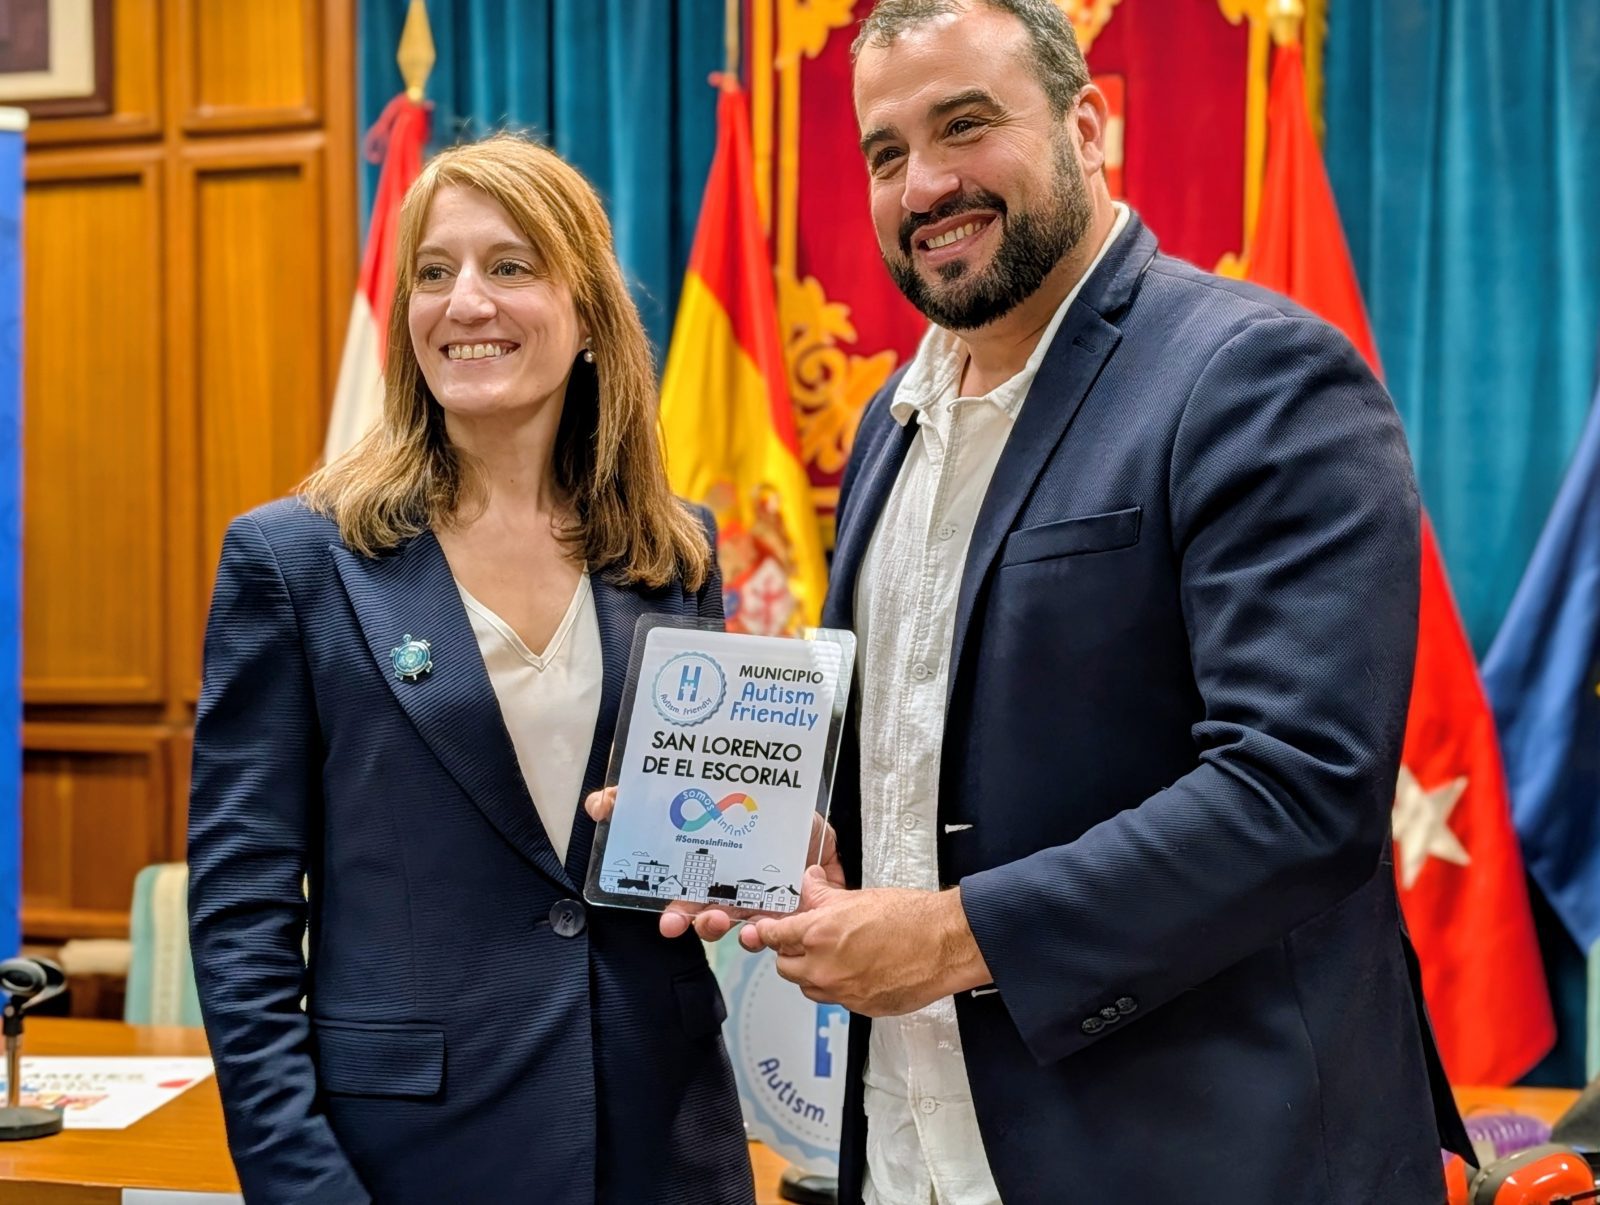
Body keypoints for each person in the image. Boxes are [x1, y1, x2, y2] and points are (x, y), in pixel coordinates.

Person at [729, 1, 1475, 1201]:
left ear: (1088, 125)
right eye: (884, 152)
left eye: (963, 126)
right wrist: (775, 835)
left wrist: (951, 936)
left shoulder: (1253, 374)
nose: (923, 184)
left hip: (1204, 1161)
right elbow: (934, 760)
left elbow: (1299, 790)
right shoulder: (889, 425)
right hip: (916, 1153)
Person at [187, 134, 755, 1205]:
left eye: (510, 266)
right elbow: (240, 917)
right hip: (407, 1154)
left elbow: (690, 836)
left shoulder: (676, 549)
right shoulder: (296, 560)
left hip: (664, 1137)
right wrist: (298, 1182)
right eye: (435, 272)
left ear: (587, 315)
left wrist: (730, 854)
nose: (466, 303)